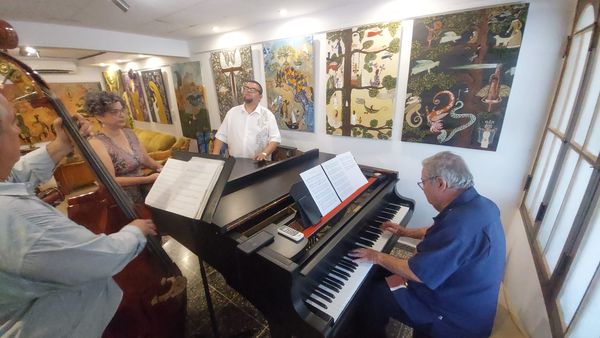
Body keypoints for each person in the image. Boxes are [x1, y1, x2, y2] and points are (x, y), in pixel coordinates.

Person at [0, 92, 157, 337]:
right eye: (12, 123)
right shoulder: (16, 216)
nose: (17, 132)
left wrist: (62, 144)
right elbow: (100, 258)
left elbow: (14, 177)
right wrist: (135, 232)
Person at [349, 151, 506, 338]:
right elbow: (442, 232)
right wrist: (406, 232)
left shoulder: (460, 225)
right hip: (468, 295)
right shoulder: (480, 205)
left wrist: (376, 256)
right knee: (383, 271)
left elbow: (417, 273)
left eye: (423, 182)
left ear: (441, 183)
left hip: (453, 317)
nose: (422, 187)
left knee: (373, 295)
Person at [86, 92, 163, 202]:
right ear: (99, 116)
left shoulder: (129, 133)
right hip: (123, 199)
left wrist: (163, 169)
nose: (122, 115)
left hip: (144, 190)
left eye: (122, 110)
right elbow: (111, 180)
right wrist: (146, 179)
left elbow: (146, 159)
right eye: (114, 112)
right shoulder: (97, 143)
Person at [212, 80, 281, 161]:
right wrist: (215, 156)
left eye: (252, 90)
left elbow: (275, 139)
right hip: (234, 163)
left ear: (260, 97)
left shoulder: (268, 115)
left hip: (258, 163)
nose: (248, 91)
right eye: (246, 88)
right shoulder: (232, 113)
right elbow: (221, 135)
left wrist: (264, 153)